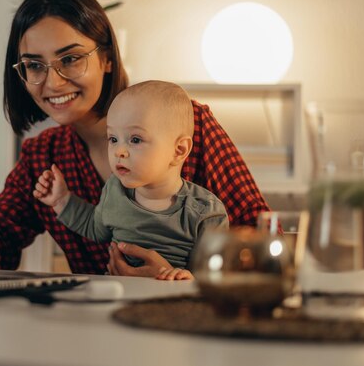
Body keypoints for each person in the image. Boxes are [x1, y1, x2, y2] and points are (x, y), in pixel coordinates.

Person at [0, 0, 270, 278]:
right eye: (34, 65)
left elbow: (259, 234)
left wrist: (187, 279)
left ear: (107, 58)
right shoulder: (43, 155)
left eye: (70, 59)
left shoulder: (189, 124)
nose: (52, 82)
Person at [33, 81, 229, 280]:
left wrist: (188, 280)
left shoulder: (205, 211)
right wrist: (61, 200)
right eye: (113, 139)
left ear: (179, 150)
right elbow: (94, 227)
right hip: (117, 298)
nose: (119, 151)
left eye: (135, 139)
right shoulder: (114, 190)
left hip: (173, 305)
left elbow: (216, 279)